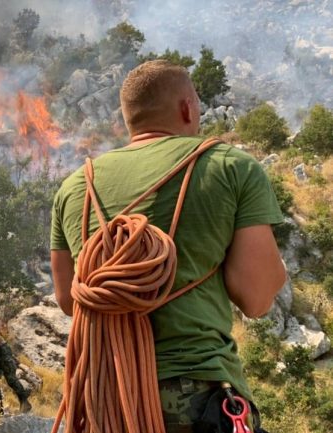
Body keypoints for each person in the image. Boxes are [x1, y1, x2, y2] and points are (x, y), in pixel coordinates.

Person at [50, 60, 286, 432]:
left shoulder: (76, 186)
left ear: (129, 121)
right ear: (188, 108)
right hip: (197, 400)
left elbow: (68, 300)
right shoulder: (231, 166)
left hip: (106, 402)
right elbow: (256, 299)